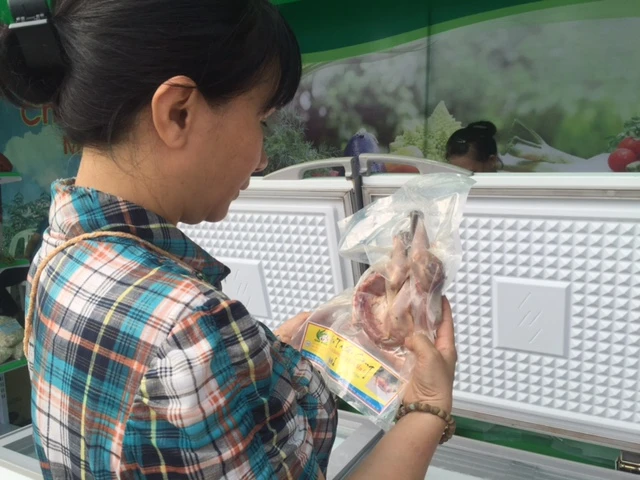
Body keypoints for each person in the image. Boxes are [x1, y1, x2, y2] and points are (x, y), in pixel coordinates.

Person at [0, 1, 457, 478]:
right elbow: (182, 350)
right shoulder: (189, 327)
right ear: (178, 113)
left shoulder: (57, 254)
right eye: (262, 119)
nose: (262, 159)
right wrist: (426, 409)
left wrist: (271, 348)